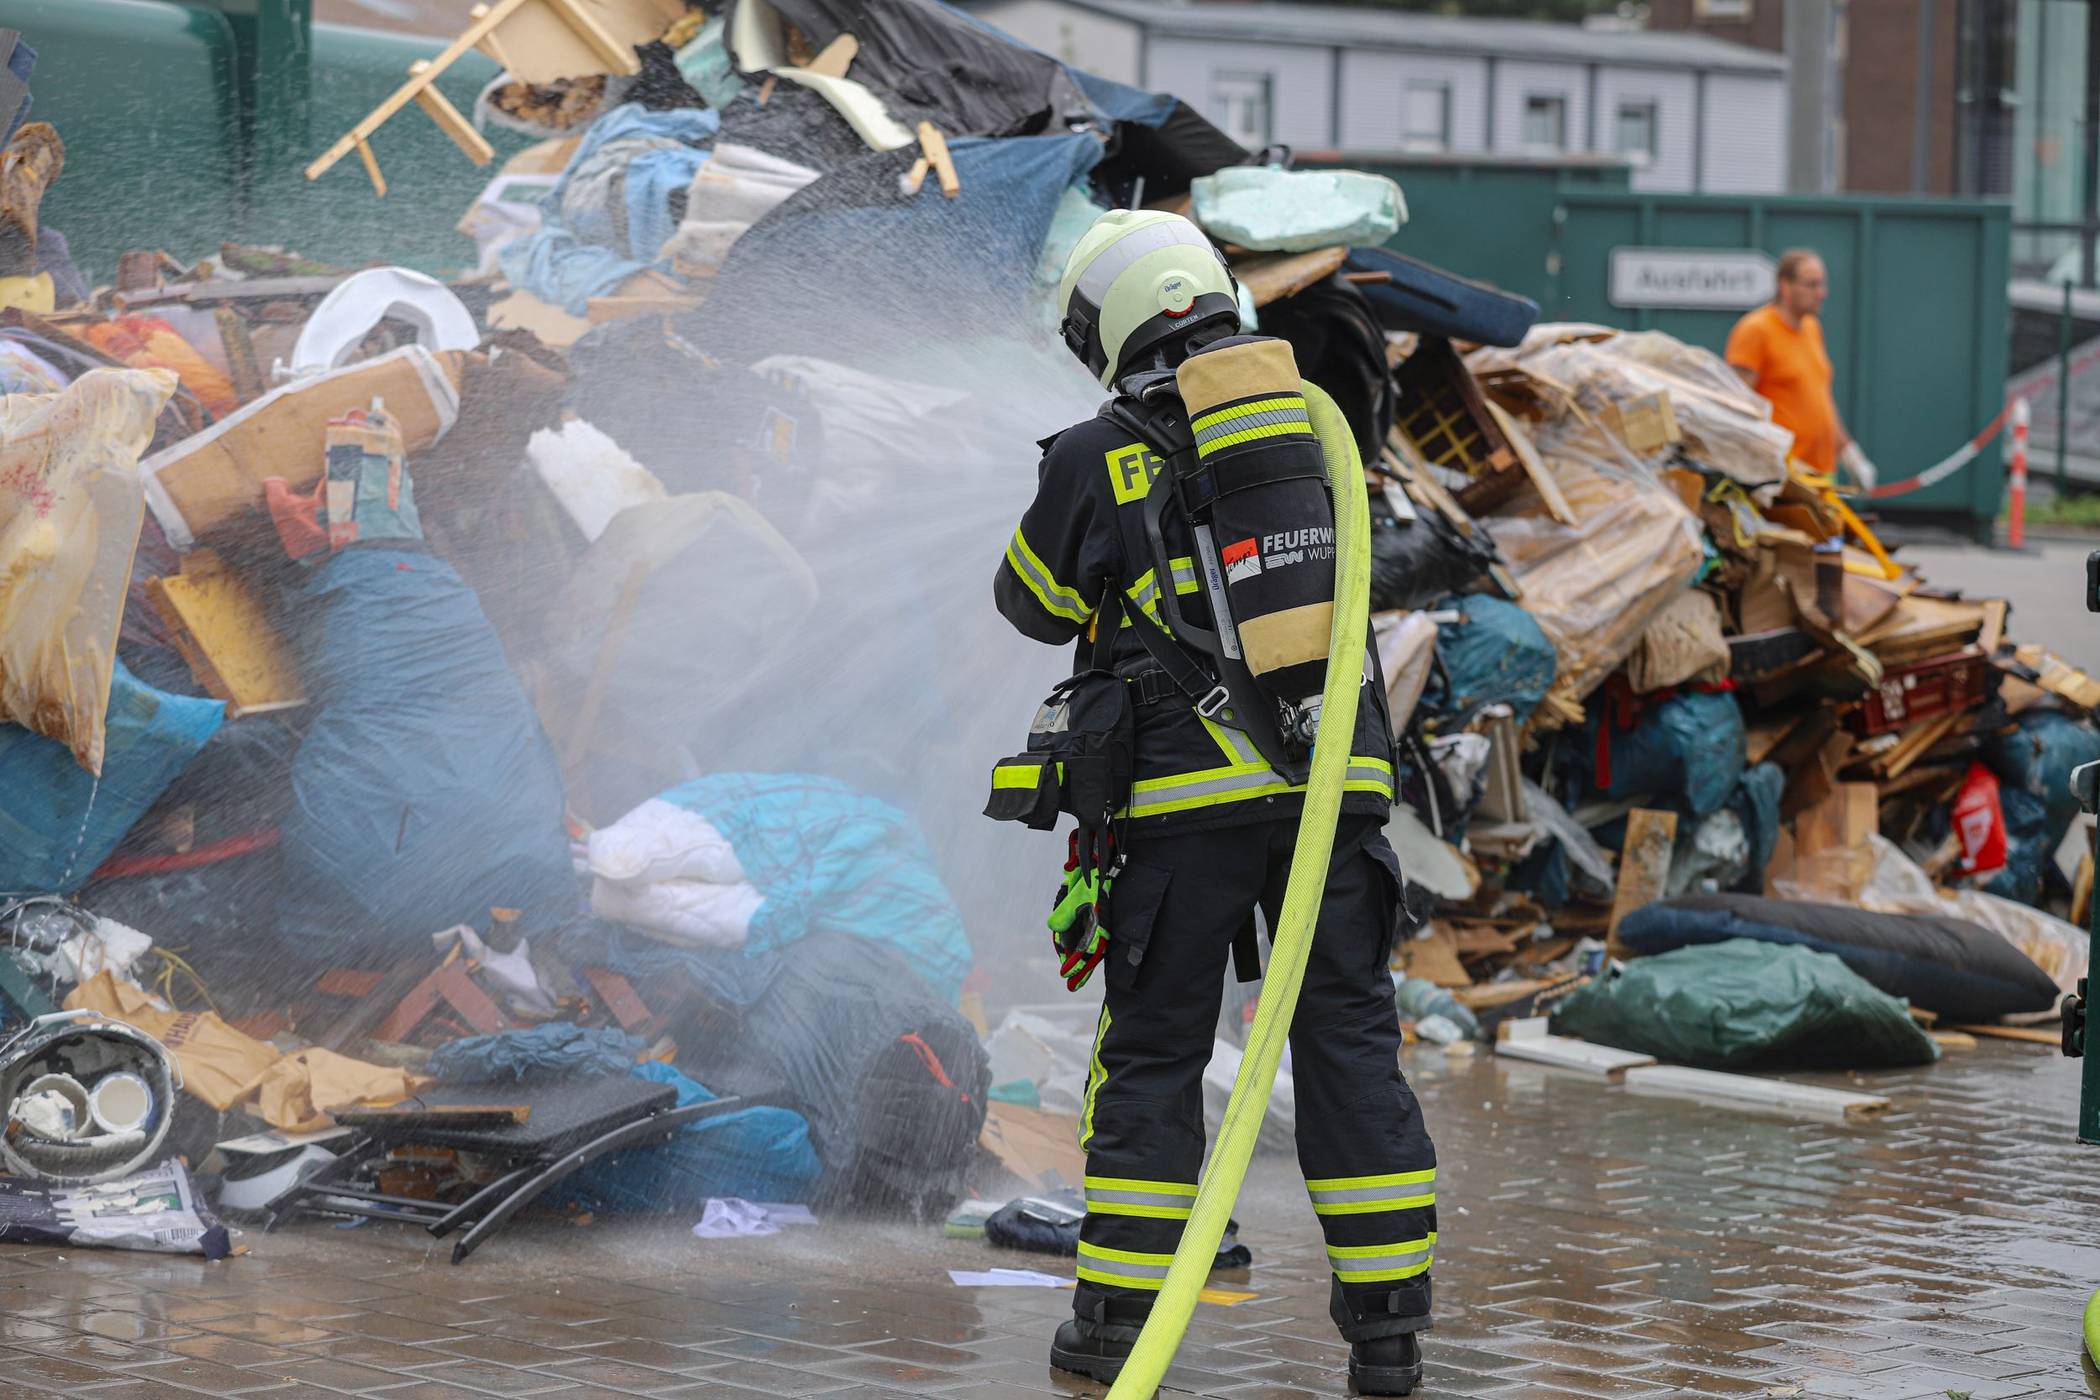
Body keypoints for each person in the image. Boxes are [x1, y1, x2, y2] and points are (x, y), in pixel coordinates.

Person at [990, 209, 1436, 1395]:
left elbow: (1029, 602)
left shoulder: (1097, 451)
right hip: (1332, 798)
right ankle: (1389, 1338)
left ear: (1117, 320)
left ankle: (1114, 1328)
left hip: (1185, 812)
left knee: (1152, 1053)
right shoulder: (1317, 431)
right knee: (1348, 1046)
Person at [1726, 248, 1876, 488]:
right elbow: (1736, 405)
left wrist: (1849, 452)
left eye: (1822, 285)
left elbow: (1820, 399)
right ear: (1785, 286)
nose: (1821, 293)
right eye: (1811, 285)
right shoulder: (1756, 331)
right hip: (1785, 477)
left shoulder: (1812, 329)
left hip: (1822, 474)